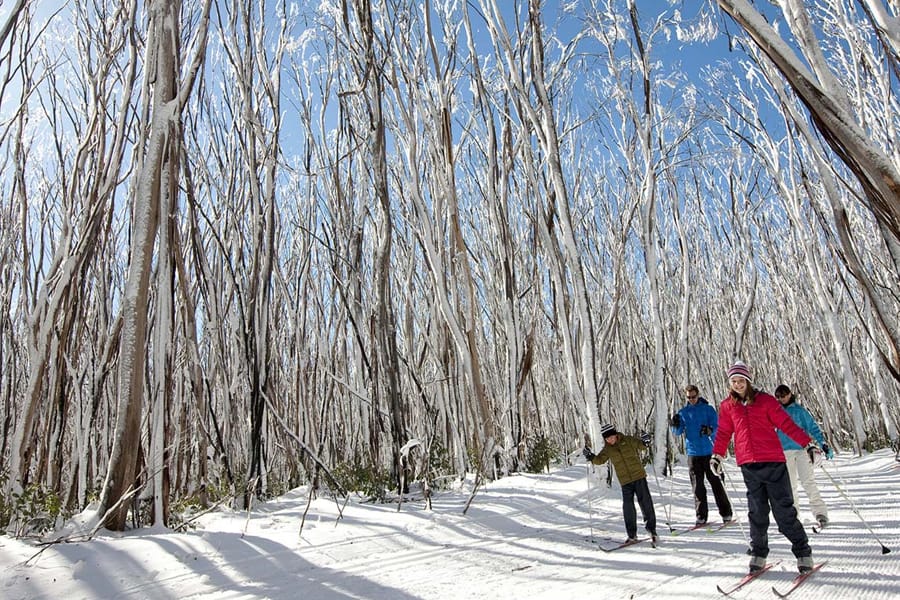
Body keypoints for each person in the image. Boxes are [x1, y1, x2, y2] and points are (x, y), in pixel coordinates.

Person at [711, 361, 820, 574]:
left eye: (741, 380)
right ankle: (759, 553)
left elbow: (787, 425)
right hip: (748, 465)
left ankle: (803, 553)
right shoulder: (727, 406)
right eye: (734, 381)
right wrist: (717, 455)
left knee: (784, 512)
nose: (738, 384)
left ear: (748, 381)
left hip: (773, 463)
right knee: (757, 513)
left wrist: (807, 443)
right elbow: (724, 433)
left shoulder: (766, 401)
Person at [583, 423, 658, 544]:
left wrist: (646, 441)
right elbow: (600, 460)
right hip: (625, 481)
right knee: (628, 508)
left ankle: (652, 530)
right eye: (607, 439)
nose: (610, 440)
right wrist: (590, 456)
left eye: (611, 437)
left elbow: (642, 446)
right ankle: (632, 535)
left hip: (639, 476)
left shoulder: (628, 440)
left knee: (646, 503)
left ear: (615, 434)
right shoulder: (608, 449)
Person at [670, 385, 733, 525]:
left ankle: (726, 513)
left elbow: (718, 427)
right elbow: (677, 432)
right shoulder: (683, 412)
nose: (691, 399)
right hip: (693, 453)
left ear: (698, 395)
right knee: (697, 487)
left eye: (693, 396)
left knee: (717, 483)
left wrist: (710, 430)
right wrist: (674, 424)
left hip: (710, 451)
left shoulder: (708, 409)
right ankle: (701, 516)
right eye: (689, 397)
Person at [774, 384, 833, 529]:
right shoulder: (776, 412)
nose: (782, 398)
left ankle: (820, 513)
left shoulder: (799, 411)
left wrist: (822, 443)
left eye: (784, 394)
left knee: (808, 481)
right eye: (778, 396)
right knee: (790, 485)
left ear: (789, 394)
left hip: (801, 449)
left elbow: (813, 427)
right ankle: (793, 516)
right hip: (784, 452)